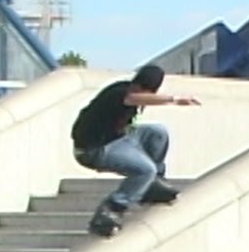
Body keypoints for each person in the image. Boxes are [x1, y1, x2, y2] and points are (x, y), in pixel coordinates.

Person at [70, 65, 201, 233]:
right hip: (93, 150)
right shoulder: (121, 93)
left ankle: (151, 186)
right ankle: (111, 209)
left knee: (157, 132)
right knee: (146, 170)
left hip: (119, 137)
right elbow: (134, 99)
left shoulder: (130, 92)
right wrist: (174, 99)